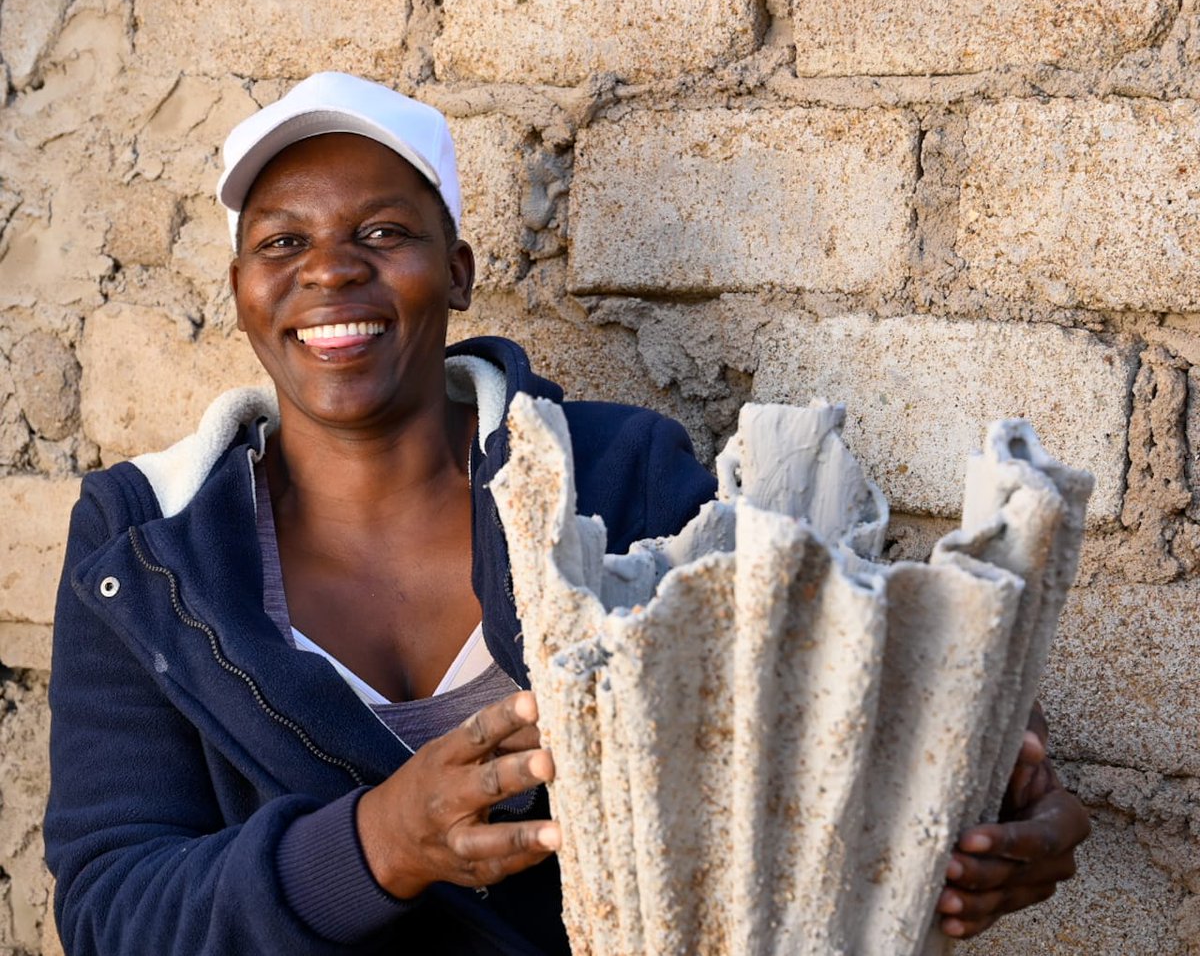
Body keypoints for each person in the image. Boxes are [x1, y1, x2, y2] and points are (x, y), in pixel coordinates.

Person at [44, 72, 1089, 955]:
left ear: (456, 272)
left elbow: (800, 704)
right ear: (239, 289)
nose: (329, 268)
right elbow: (108, 907)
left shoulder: (617, 475)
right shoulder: (143, 545)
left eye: (381, 231)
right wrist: (375, 846)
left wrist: (986, 782)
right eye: (281, 243)